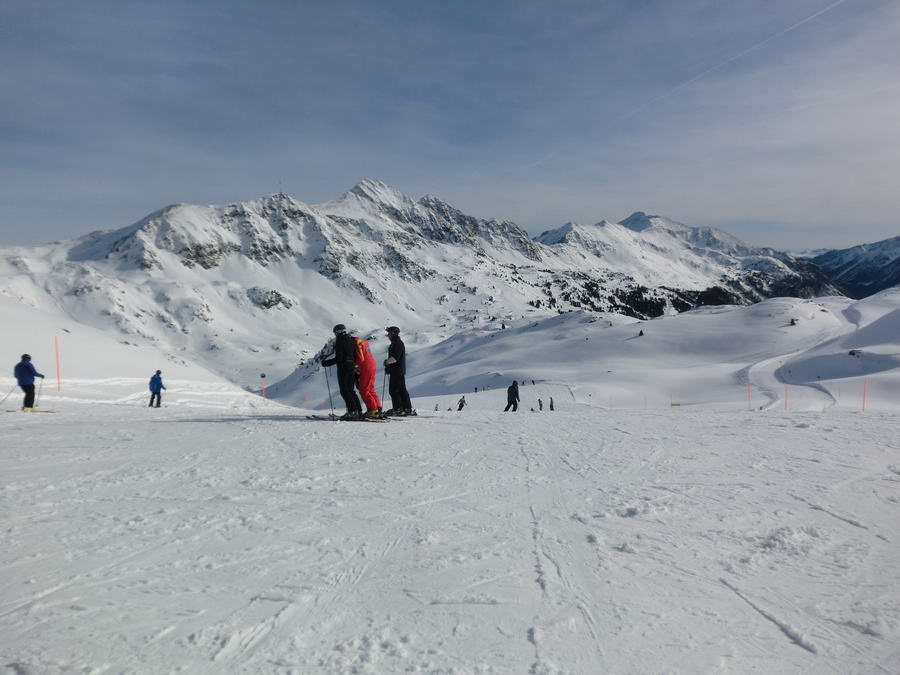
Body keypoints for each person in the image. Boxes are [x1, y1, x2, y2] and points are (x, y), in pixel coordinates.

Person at [322, 324, 363, 419]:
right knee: (351, 390)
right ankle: (358, 411)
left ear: (338, 332)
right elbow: (355, 356)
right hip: (352, 367)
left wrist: (326, 363)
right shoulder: (352, 341)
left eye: (335, 332)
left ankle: (352, 411)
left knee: (344, 391)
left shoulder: (340, 341)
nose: (335, 334)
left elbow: (339, 358)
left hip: (343, 368)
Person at [383, 326, 413, 416]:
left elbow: (395, 358)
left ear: (393, 334)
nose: (387, 335)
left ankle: (398, 409)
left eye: (389, 334)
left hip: (396, 371)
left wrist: (386, 362)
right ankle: (406, 408)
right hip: (398, 370)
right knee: (401, 389)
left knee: (394, 390)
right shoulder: (396, 343)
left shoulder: (397, 343)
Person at [353, 333, 382, 418]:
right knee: (371, 389)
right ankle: (378, 408)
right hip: (372, 365)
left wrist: (354, 365)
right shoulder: (364, 343)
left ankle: (372, 410)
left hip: (366, 367)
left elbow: (360, 358)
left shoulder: (357, 344)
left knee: (363, 390)